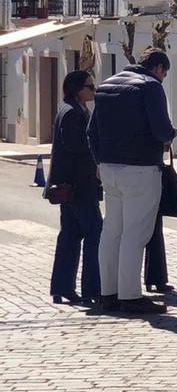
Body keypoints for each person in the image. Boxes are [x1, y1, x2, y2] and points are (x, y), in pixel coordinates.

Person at [88, 48, 175, 314]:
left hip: (110, 168)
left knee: (111, 230)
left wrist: (100, 162)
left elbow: (91, 132)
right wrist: (171, 134)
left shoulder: (106, 86)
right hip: (140, 168)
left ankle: (108, 293)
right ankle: (130, 295)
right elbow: (161, 129)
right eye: (165, 73)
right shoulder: (150, 87)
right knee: (135, 234)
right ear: (159, 68)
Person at [48, 71, 102, 306]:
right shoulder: (73, 113)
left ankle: (62, 287)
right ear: (78, 89)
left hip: (72, 185)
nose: (94, 90)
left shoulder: (72, 109)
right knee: (94, 234)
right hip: (78, 186)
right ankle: (92, 288)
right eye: (90, 87)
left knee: (69, 235)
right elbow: (76, 147)